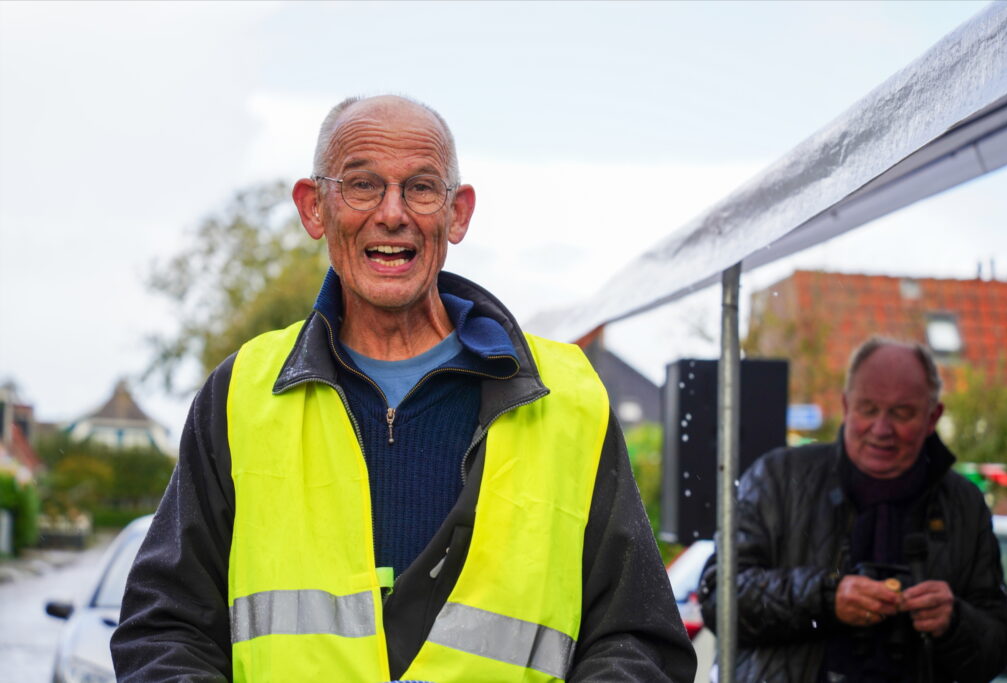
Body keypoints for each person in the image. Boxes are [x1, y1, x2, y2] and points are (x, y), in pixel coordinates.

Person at [111, 95, 696, 682]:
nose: (392, 214)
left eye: (421, 188)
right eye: (362, 185)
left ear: (458, 214)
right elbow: (166, 628)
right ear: (314, 208)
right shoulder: (241, 394)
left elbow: (636, 642)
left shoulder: (569, 400)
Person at [698, 336, 1007, 682]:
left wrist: (954, 622)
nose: (882, 429)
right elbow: (719, 597)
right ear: (846, 405)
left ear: (933, 417)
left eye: (902, 413)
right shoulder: (778, 478)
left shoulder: (964, 504)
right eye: (868, 409)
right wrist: (826, 598)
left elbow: (998, 647)